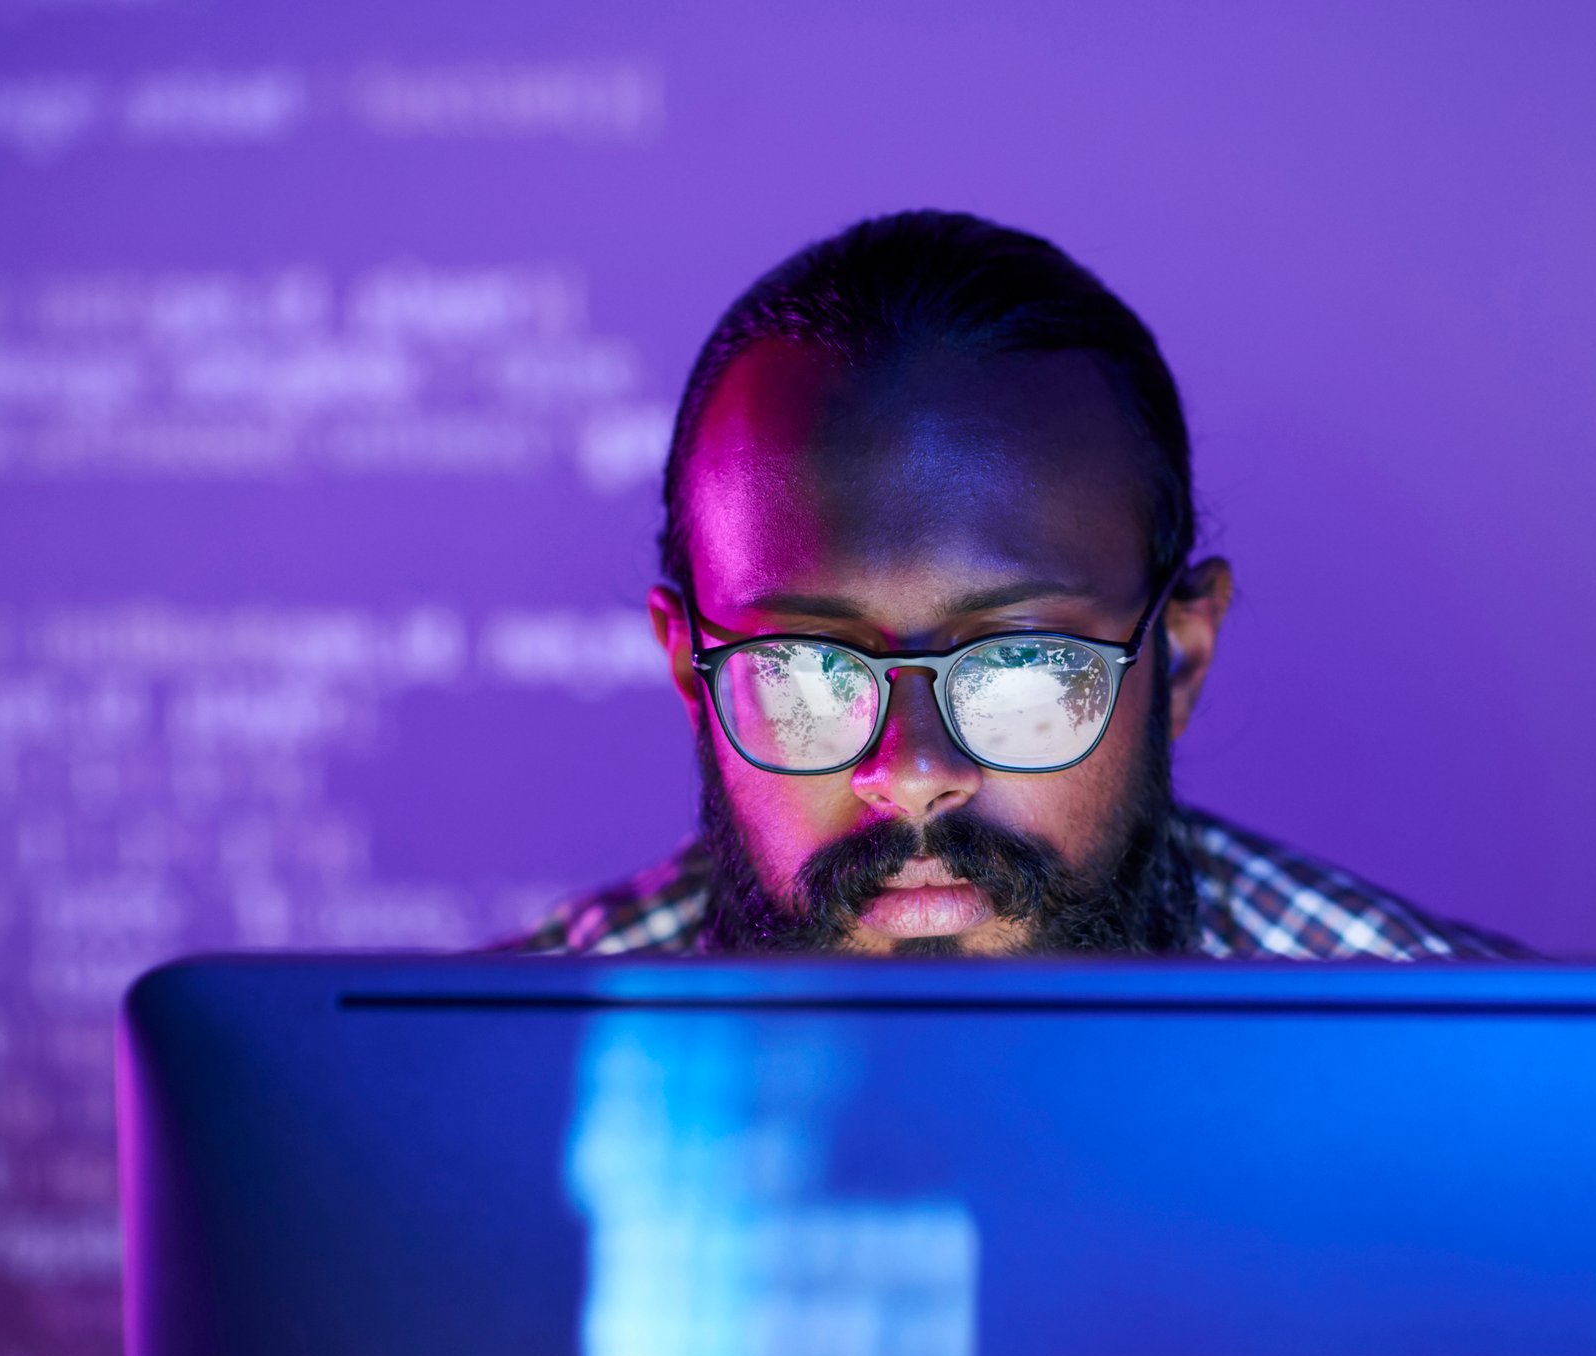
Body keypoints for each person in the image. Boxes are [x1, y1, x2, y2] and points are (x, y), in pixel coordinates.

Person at [509, 211, 1531, 960]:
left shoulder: (1486, 1084)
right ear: (690, 670)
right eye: (808, 673)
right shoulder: (473, 1080)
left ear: (1179, 656)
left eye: (1022, 666)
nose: (911, 774)